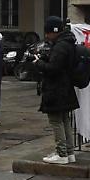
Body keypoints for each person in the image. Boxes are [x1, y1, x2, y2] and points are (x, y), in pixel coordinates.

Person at [33, 16, 79, 164]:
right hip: (65, 88)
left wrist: (39, 63)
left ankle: (62, 153)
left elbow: (54, 69)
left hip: (56, 89)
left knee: (56, 121)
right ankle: (70, 152)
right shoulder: (68, 43)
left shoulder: (60, 46)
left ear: (54, 31)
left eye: (48, 32)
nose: (46, 36)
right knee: (64, 120)